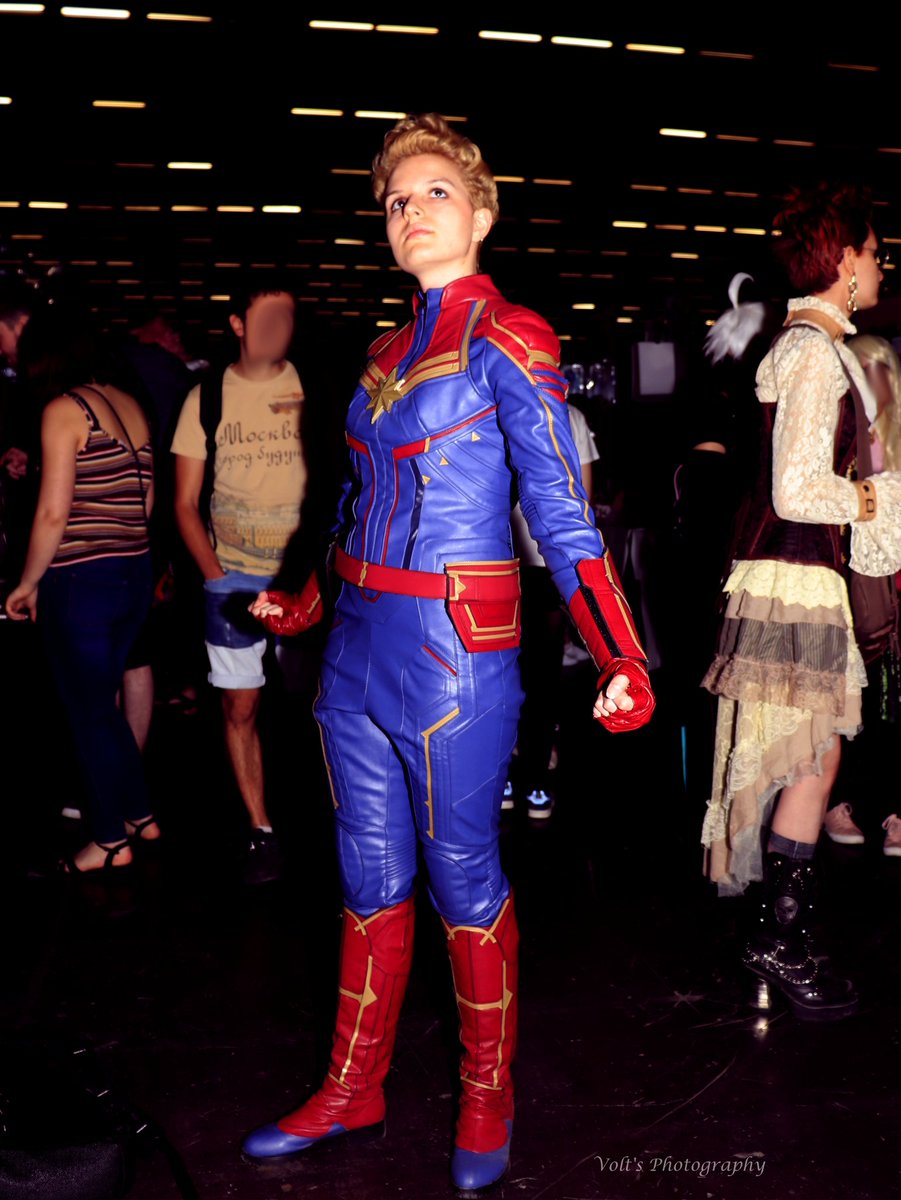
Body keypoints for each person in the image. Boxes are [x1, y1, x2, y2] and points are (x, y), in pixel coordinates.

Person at [242, 113, 655, 1192]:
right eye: (394, 200)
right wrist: (304, 595)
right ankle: (352, 1082)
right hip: (357, 651)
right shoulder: (380, 353)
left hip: (453, 656)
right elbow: (354, 500)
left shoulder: (508, 338)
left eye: (432, 193)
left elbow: (564, 514)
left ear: (479, 212)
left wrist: (622, 650)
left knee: (463, 876)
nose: (410, 211)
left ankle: (487, 1088)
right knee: (366, 878)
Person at [701, 184, 901, 1020]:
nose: (880, 263)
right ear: (842, 262)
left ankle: (781, 934)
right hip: (794, 573)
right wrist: (874, 498)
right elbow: (795, 489)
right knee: (809, 759)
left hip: (792, 574)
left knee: (809, 759)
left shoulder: (812, 345)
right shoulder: (815, 351)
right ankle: (781, 939)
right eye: (872, 250)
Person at [5, 309, 158, 872]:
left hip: (82, 581)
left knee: (89, 710)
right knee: (105, 708)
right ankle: (140, 813)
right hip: (132, 574)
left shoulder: (63, 410)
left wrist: (27, 583)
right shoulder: (128, 403)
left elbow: (52, 511)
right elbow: (144, 505)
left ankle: (108, 839)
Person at [171, 283, 306, 884]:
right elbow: (183, 503)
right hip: (233, 577)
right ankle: (262, 829)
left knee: (326, 702)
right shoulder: (205, 398)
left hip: (305, 578)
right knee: (240, 703)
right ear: (237, 324)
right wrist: (216, 579)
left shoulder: (313, 388)